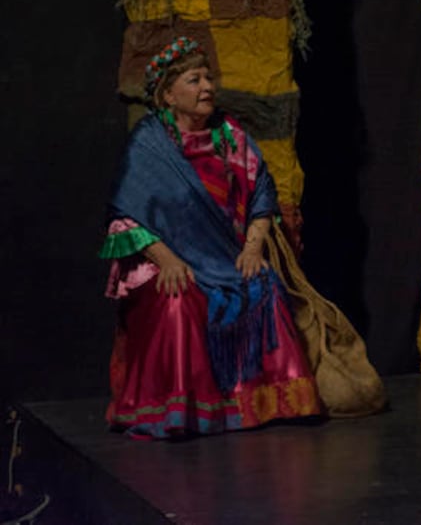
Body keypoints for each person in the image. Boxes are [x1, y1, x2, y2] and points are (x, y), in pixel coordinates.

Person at [100, 36, 322, 438]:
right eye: (194, 80)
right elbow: (124, 218)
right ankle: (180, 412)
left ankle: (267, 405)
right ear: (169, 95)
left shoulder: (229, 136)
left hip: (224, 258)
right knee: (177, 299)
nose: (207, 87)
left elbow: (262, 193)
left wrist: (253, 248)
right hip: (163, 260)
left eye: (208, 78)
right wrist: (167, 259)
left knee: (263, 283)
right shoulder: (150, 143)